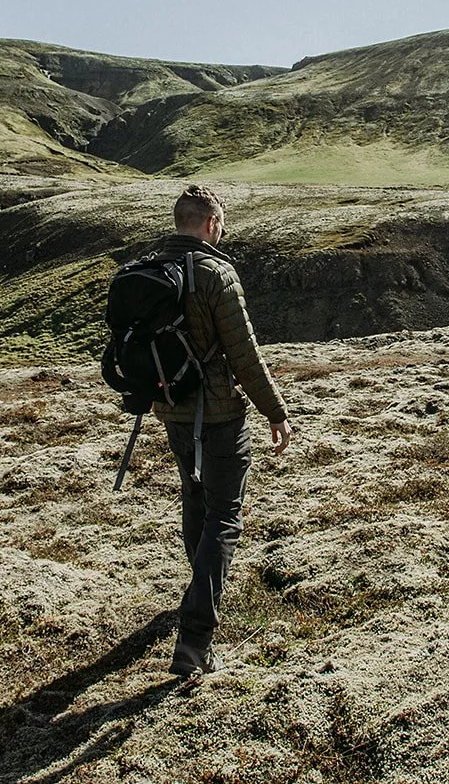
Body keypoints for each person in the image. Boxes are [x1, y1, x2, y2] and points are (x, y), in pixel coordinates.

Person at [151, 184, 292, 677]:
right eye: (222, 225)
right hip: (219, 416)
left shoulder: (150, 268)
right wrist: (275, 410)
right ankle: (195, 639)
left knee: (195, 499)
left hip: (172, 409)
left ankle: (198, 591)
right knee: (224, 515)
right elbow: (244, 355)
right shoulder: (215, 274)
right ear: (211, 223)